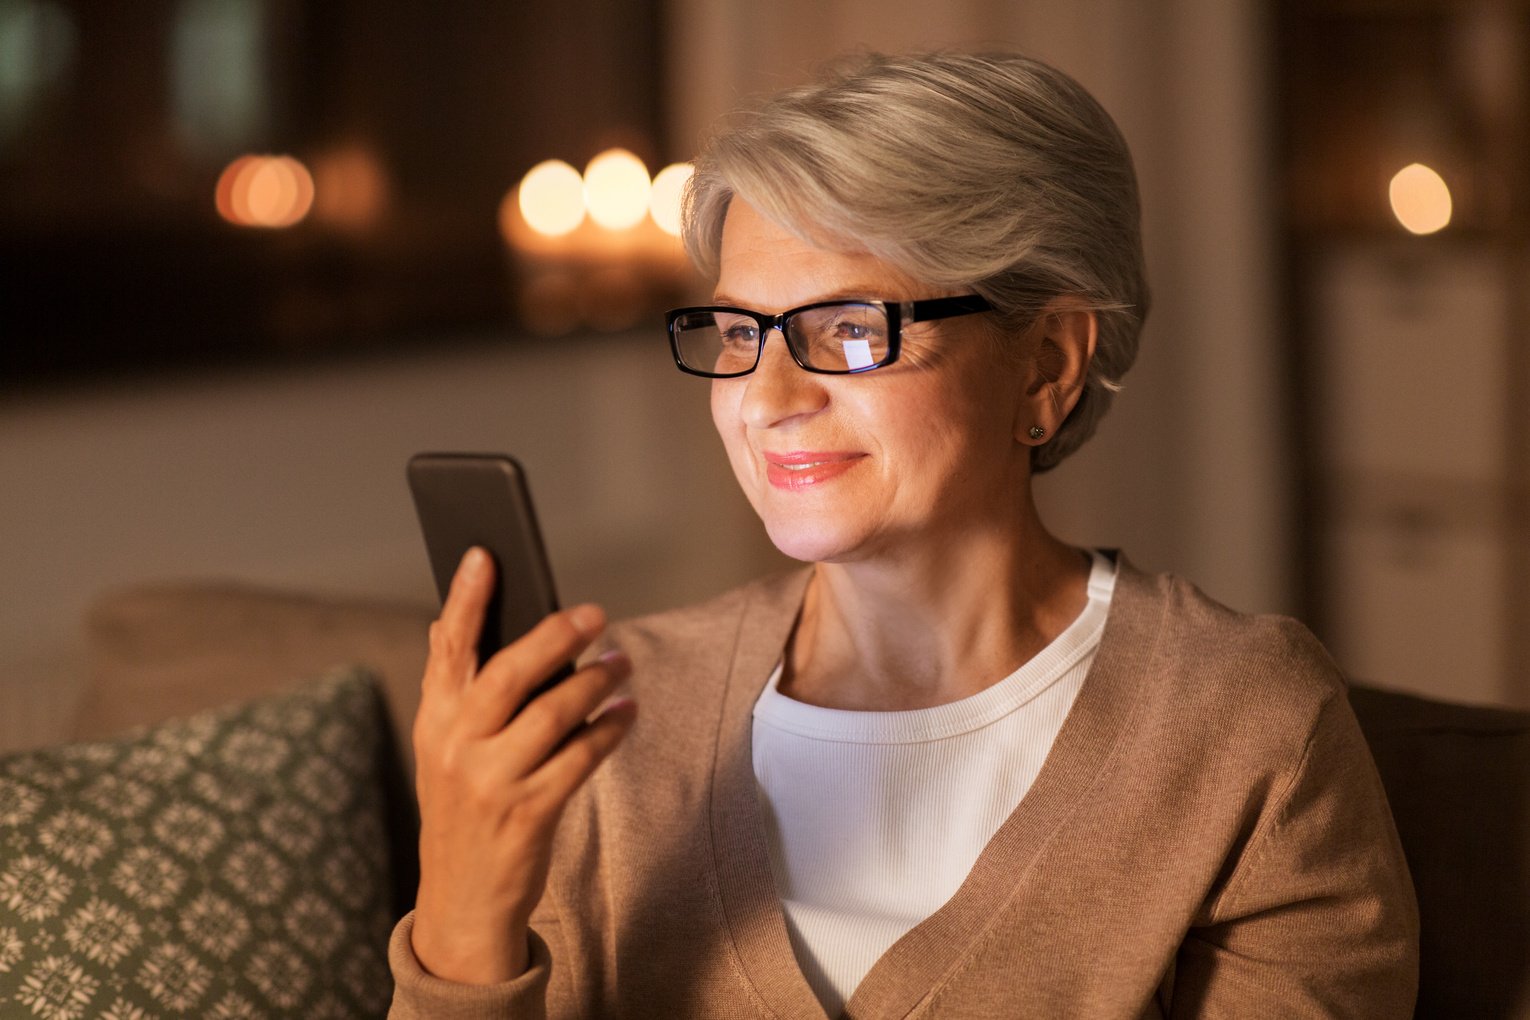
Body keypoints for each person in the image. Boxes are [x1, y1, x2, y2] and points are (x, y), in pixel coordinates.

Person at [388, 51, 1419, 1018]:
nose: (767, 398)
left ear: (1049, 363)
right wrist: (465, 904)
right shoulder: (618, 717)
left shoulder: (1243, 726)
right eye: (741, 331)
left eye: (848, 328)